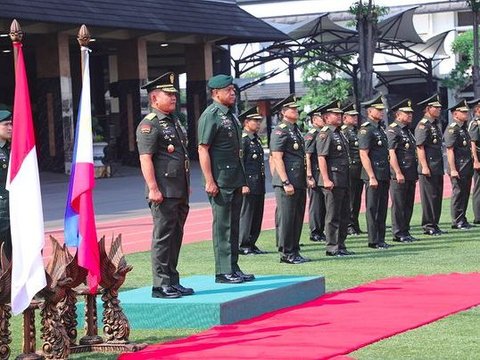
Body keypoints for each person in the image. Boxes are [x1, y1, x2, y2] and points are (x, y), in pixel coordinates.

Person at [136, 72, 193, 299]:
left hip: (178, 189)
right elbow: (145, 158)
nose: (173, 98)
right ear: (154, 99)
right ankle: (160, 284)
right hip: (163, 191)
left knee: (175, 236)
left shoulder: (174, 121)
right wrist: (153, 188)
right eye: (167, 94)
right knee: (163, 237)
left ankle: (172, 279)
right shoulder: (150, 125)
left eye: (174, 95)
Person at [198, 74, 254, 284]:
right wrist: (210, 180)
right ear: (215, 93)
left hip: (234, 179)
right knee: (223, 227)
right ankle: (223, 271)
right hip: (220, 181)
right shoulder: (211, 115)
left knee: (233, 226)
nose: (233, 93)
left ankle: (233, 266)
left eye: (233, 89)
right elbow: (203, 149)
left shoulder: (230, 115)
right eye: (228, 90)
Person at [270, 94, 308, 264]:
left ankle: (295, 249)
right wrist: (285, 181)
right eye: (293, 109)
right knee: (287, 218)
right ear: (284, 112)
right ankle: (287, 253)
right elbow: (277, 157)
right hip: (287, 181)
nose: (296, 111)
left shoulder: (295, 130)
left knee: (297, 217)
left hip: (298, 180)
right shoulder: (280, 130)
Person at [316, 100, 354, 256]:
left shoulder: (340, 133)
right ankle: (332, 247)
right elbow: (322, 158)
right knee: (333, 215)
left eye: (340, 114)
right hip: (333, 179)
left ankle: (341, 244)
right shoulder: (326, 133)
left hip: (343, 178)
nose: (339, 116)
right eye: (335, 114)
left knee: (344, 214)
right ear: (326, 117)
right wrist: (325, 179)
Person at [358, 94, 392, 249]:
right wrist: (371, 176)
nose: (382, 111)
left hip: (383, 172)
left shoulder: (380, 129)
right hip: (373, 174)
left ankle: (381, 238)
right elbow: (364, 154)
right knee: (373, 208)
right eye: (378, 110)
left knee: (382, 207)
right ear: (370, 112)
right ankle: (373, 240)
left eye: (382, 109)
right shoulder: (367, 130)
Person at [387, 99, 418, 243]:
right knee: (399, 205)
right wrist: (397, 172)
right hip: (400, 173)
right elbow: (391, 153)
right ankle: (398, 233)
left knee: (408, 204)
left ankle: (406, 231)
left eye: (411, 112)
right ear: (398, 115)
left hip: (410, 172)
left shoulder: (407, 131)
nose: (410, 115)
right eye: (407, 113)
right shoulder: (393, 130)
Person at [415, 94, 446, 236]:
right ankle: (428, 225)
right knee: (429, 197)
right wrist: (425, 166)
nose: (439, 110)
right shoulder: (423, 125)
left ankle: (435, 223)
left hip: (437, 166)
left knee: (437, 196)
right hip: (428, 166)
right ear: (428, 109)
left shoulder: (434, 125)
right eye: (436, 107)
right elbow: (420, 147)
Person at [238, 107, 267, 255]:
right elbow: (240, 163)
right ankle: (243, 244)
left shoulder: (255, 139)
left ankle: (252, 242)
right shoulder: (243, 140)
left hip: (258, 182)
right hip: (248, 183)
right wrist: (243, 183)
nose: (258, 123)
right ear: (246, 122)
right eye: (255, 121)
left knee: (257, 214)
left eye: (259, 121)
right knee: (247, 214)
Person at [444, 99, 473, 229]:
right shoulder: (452, 129)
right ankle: (457, 220)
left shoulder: (463, 128)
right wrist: (453, 169)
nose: (466, 114)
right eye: (463, 112)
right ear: (456, 114)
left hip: (466, 166)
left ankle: (463, 218)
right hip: (458, 166)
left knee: (465, 193)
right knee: (458, 193)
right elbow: (450, 150)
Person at [341, 102, 364, 236]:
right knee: (350, 199)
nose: (355, 118)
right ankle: (349, 225)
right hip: (350, 169)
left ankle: (355, 223)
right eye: (352, 116)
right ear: (345, 118)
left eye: (356, 116)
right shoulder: (344, 132)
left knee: (356, 199)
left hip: (358, 169)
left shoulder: (356, 131)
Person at [304, 106, 326, 243]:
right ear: (314, 120)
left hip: (321, 173)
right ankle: (315, 231)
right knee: (316, 204)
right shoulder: (312, 134)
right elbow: (307, 155)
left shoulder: (323, 133)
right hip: (315, 173)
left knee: (322, 204)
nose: (323, 120)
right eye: (320, 118)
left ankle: (321, 230)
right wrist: (309, 175)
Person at [0, 110, 12, 260]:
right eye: (6, 124)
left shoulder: (10, 149)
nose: (11, 127)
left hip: (10, 205)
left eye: (11, 124)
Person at [467, 97, 480, 223]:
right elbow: (473, 143)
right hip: (479, 159)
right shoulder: (475, 123)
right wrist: (476, 160)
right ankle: (478, 217)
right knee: (478, 188)